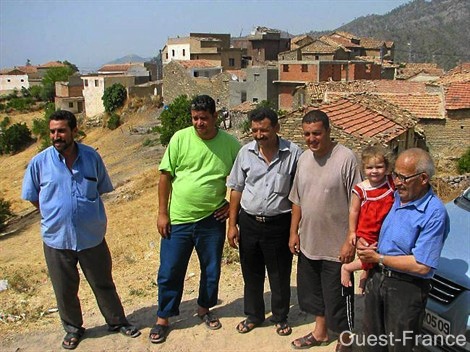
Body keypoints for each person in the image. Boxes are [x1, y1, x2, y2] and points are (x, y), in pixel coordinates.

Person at [21, 110, 140, 350]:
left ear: (74, 131)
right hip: (57, 239)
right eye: (53, 131)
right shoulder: (39, 163)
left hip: (91, 236)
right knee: (64, 289)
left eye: (62, 130)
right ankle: (73, 329)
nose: (57, 136)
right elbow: (34, 196)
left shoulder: (91, 157)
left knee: (103, 283)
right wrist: (55, 213)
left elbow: (100, 189)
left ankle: (117, 322)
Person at [150, 95, 241, 344]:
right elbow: (165, 177)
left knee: (210, 270)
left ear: (215, 117)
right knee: (170, 270)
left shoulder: (230, 145)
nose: (199, 123)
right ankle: (163, 318)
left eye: (204, 118)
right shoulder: (180, 138)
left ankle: (204, 309)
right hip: (178, 220)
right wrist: (162, 213)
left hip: (211, 221)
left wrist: (233, 208)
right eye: (195, 118)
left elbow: (242, 181)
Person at [356, 148, 449, 352]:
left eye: (403, 177)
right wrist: (365, 247)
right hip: (378, 279)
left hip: (406, 289)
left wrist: (378, 257)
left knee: (399, 346)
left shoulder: (434, 213)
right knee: (371, 343)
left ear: (423, 178)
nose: (396, 181)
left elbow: (422, 265)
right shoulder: (396, 196)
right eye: (395, 175)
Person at [288, 110, 362, 352]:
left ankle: (345, 340)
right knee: (314, 295)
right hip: (310, 243)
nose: (312, 139)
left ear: (329, 131)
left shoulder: (346, 158)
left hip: (336, 246)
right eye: (307, 134)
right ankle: (320, 333)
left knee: (339, 298)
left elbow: (358, 201)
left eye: (317, 133)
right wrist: (293, 232)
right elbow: (297, 199)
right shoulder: (304, 159)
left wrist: (350, 241)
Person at [226, 107, 302, 336]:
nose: (259, 135)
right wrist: (232, 224)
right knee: (251, 272)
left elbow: (298, 194)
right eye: (255, 130)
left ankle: (280, 317)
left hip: (279, 223)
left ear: (276, 128)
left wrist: (294, 231)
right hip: (249, 222)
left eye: (264, 130)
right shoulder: (245, 153)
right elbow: (236, 189)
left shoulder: (293, 153)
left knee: (279, 274)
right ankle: (254, 315)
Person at [340, 146, 395, 291]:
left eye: (379, 167)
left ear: (387, 166)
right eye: (370, 167)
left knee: (377, 258)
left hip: (384, 228)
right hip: (368, 231)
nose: (374, 171)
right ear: (363, 168)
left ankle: (365, 276)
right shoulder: (361, 189)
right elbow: (354, 211)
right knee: (369, 256)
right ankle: (347, 268)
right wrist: (352, 232)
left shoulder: (390, 182)